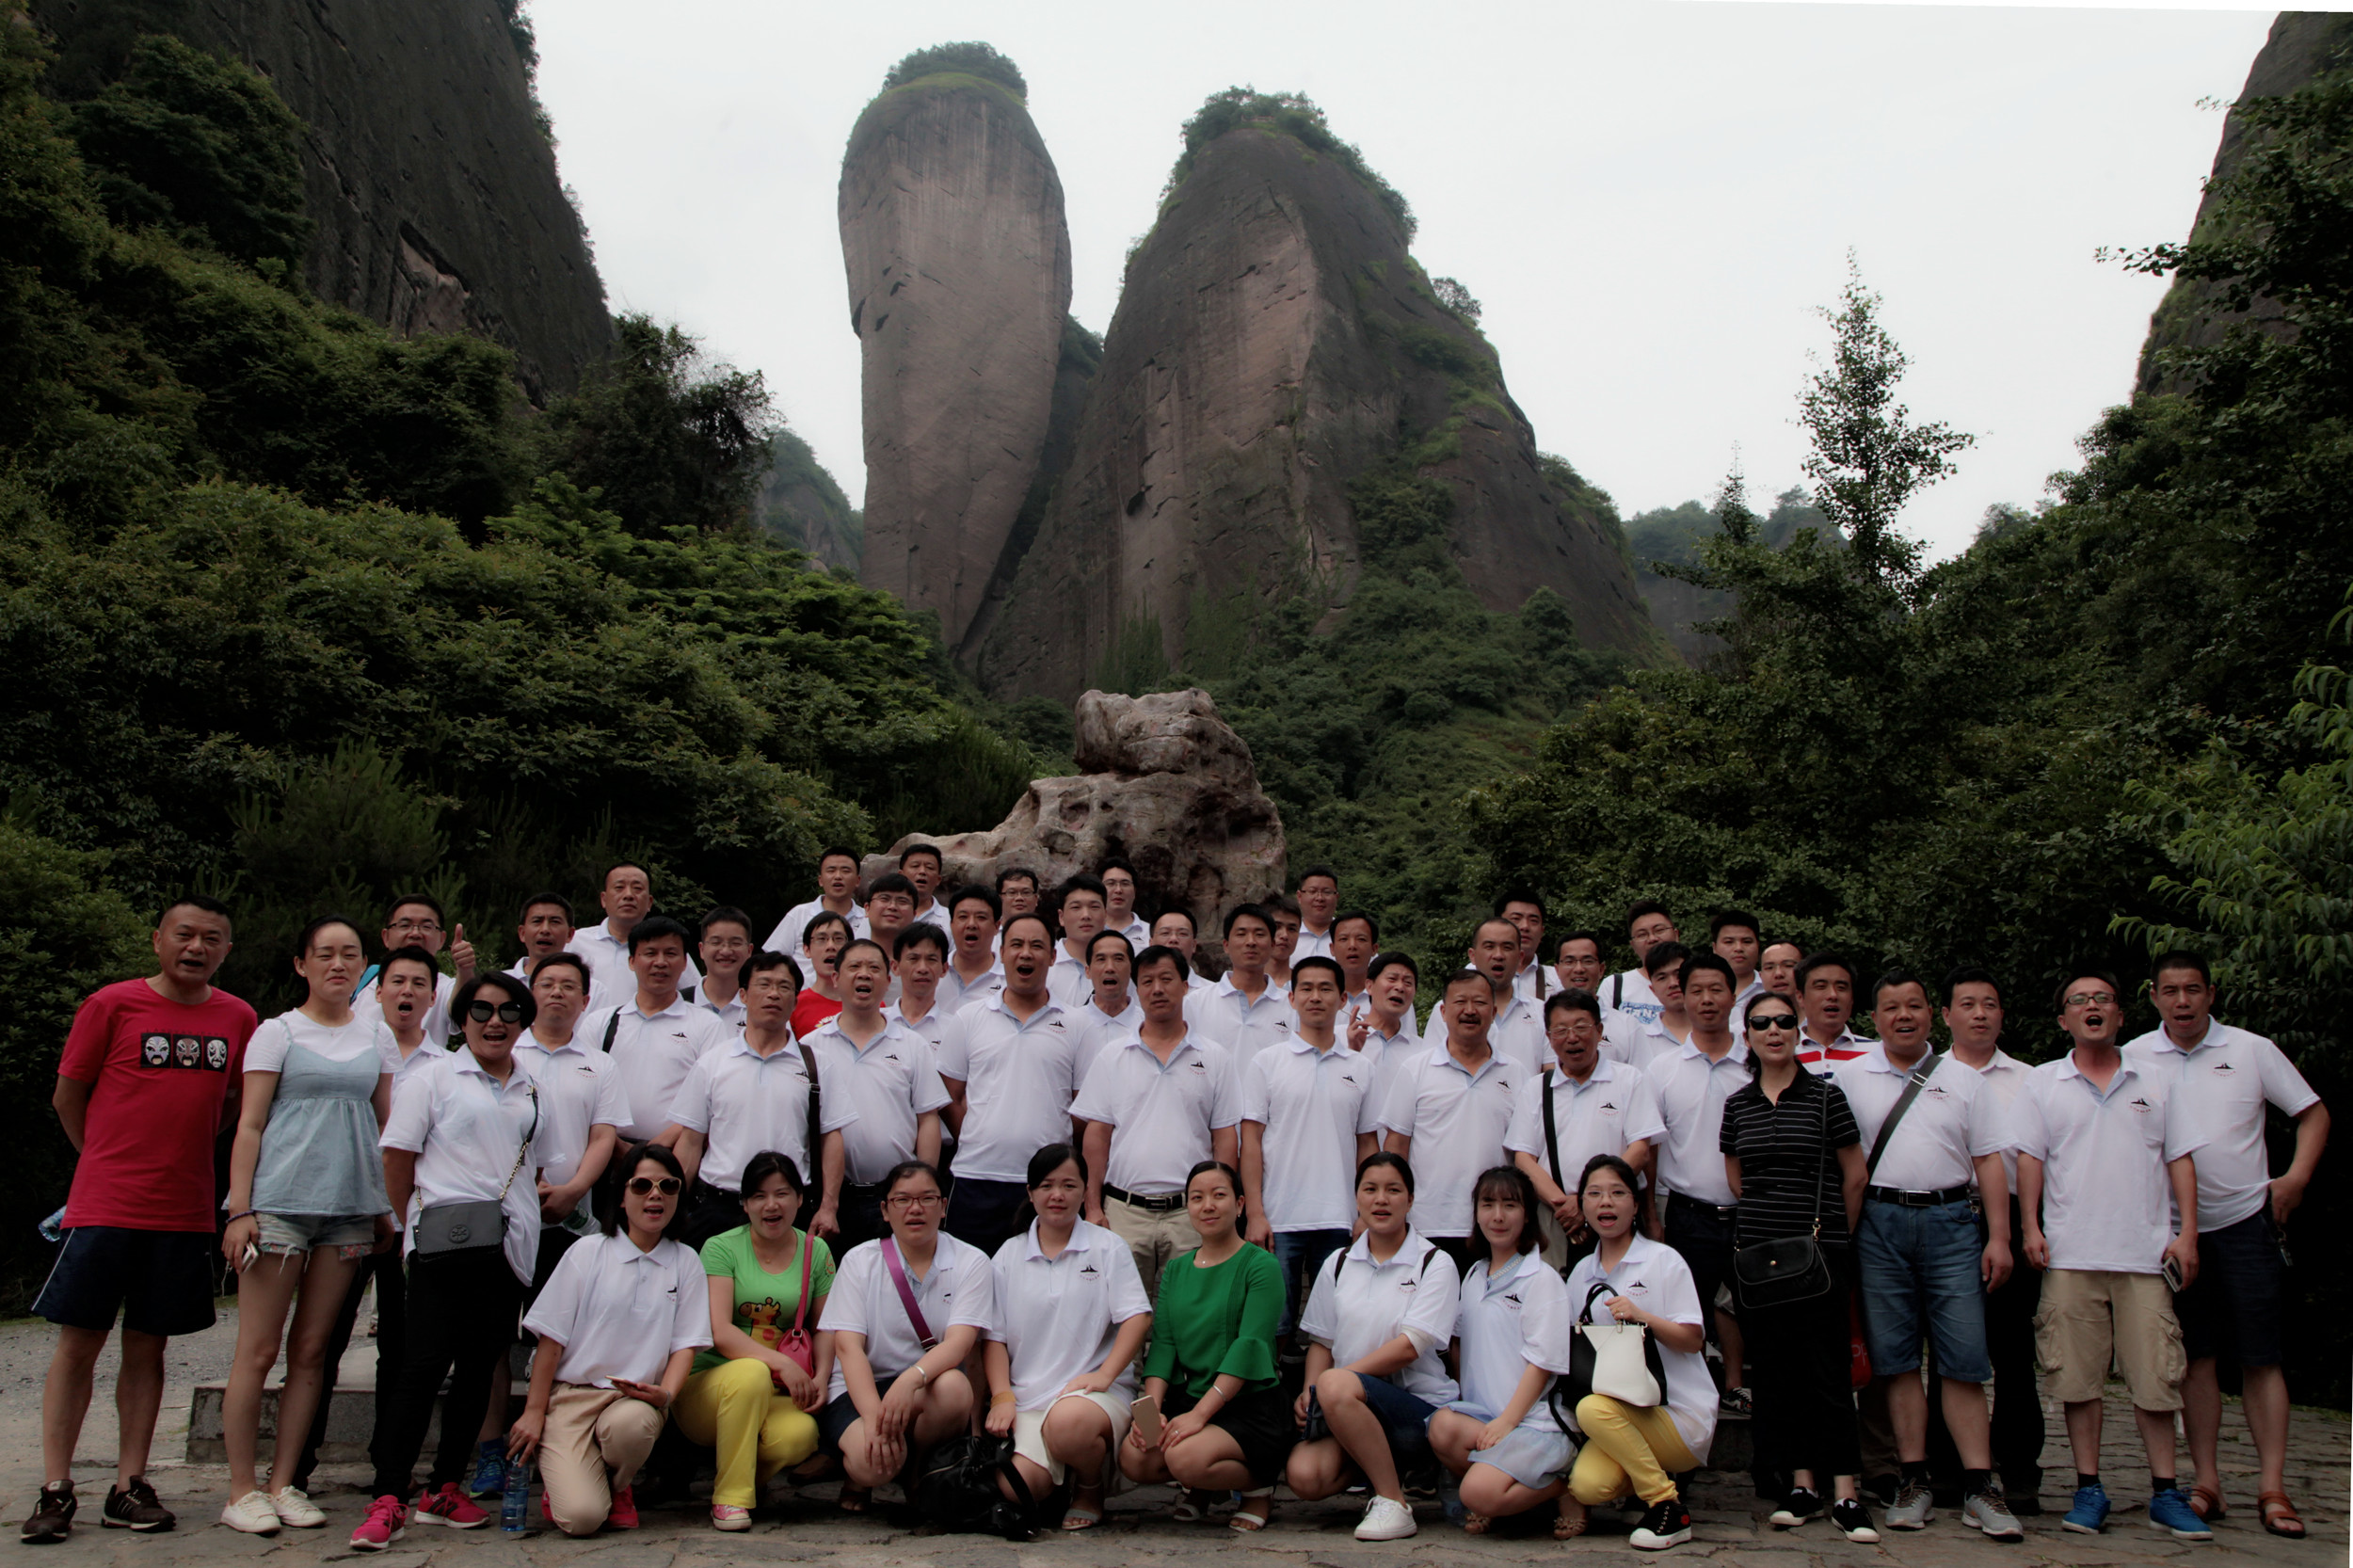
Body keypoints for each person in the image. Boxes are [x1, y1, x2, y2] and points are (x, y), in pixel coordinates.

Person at [25, 896, 256, 1544]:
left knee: (148, 1348)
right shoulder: (112, 1004)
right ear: (159, 939)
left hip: (182, 1211)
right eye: (185, 935)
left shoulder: (237, 1017)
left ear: (225, 950)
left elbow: (237, 1101)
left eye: (212, 939)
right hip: (105, 1205)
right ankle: (55, 1487)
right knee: (78, 1344)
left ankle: (129, 1484)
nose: (196, 947)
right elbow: (68, 1093)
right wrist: (99, 1157)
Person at [2125, 954, 2329, 1537]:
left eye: (2193, 990)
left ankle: (2272, 1486)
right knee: (2196, 1359)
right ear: (2154, 996)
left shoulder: (2251, 1049)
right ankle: (2206, 1482)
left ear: (2211, 993)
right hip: (2172, 1231)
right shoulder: (2135, 1056)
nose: (2182, 1001)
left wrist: (2294, 1179)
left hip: (2246, 1222)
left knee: (2261, 1357)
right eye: (2171, 991)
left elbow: (2313, 1113)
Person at [216, 919, 399, 1535]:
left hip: (348, 1209)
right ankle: (242, 1488)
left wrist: (384, 1208)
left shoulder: (376, 1037)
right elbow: (249, 1125)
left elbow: (385, 1130)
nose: (338, 964)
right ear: (301, 964)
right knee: (259, 1350)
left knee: (314, 1352)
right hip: (280, 1206)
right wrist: (239, 1208)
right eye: (325, 954)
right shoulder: (278, 1032)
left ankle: (284, 1481)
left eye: (350, 954)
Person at [354, 972, 547, 1549]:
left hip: (508, 1249)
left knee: (477, 1374)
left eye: (510, 1012)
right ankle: (389, 1494)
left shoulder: (531, 1086)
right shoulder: (433, 1076)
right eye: (482, 1010)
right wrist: (395, 1227)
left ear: (522, 1022)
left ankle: (444, 1489)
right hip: (442, 1245)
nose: (496, 1021)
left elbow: (536, 1162)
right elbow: (399, 1156)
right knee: (420, 1369)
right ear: (462, 1018)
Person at [2013, 970, 2207, 1540]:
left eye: (2103, 999)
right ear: (2063, 1020)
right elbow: (2030, 1161)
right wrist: (2031, 1227)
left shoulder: (2159, 1081)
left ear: (2121, 1015)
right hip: (2071, 1255)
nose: (2092, 1006)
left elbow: (2181, 1160)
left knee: (2155, 1380)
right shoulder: (2043, 1084)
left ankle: (2166, 1491)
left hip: (2145, 1257)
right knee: (2076, 1380)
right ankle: (2088, 1486)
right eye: (2079, 1001)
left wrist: (2187, 1233)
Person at [1834, 969, 2021, 1537]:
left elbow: (1989, 1160)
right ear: (1874, 1019)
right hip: (1880, 1225)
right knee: (1895, 1360)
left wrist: (1999, 1236)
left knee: (1962, 1356)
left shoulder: (1963, 1080)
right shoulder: (1849, 1078)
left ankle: (1979, 1485)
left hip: (1950, 1221)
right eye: (1891, 1008)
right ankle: (1911, 1478)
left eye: (1914, 1005)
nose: (1903, 1016)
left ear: (1931, 1015)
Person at [288, 945, 450, 1496]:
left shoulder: (448, 1067)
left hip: (411, 1225)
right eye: (397, 981)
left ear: (434, 997)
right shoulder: (350, 1053)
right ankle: (296, 1464)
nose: (407, 992)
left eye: (419, 984)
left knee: (402, 1349)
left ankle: (389, 1467)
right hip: (350, 1213)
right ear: (376, 991)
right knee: (322, 1340)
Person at [1722, 988, 1878, 1544]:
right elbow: (1739, 1179)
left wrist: (1832, 1236)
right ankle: (1802, 1484)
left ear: (1798, 1031)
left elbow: (1853, 1176)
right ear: (1749, 1036)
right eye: (1761, 1022)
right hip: (1760, 1258)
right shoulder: (1737, 1105)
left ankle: (1846, 1490)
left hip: (1820, 1255)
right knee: (1779, 1373)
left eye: (1784, 1022)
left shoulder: (1826, 1099)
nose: (1773, 1030)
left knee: (1828, 1373)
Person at [510, 1144, 710, 1536]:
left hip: (631, 1401)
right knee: (581, 1519)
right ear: (621, 1197)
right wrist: (534, 1411)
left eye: (668, 1186)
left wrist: (665, 1396)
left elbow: (685, 1346)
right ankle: (576, 1479)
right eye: (642, 1186)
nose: (656, 1195)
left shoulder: (686, 1261)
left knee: (634, 1426)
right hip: (571, 1398)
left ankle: (619, 1486)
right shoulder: (587, 1252)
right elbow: (550, 1341)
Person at [1286, 1154, 1462, 1542]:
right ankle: (1376, 1469)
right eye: (1371, 1189)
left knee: (1335, 1385)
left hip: (1415, 1411)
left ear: (1411, 1199)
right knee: (1305, 1476)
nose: (1381, 1199)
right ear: (1357, 1198)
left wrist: (1336, 1382)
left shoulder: (1435, 1262)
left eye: (1393, 1190)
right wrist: (1310, 1390)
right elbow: (1322, 1341)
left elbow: (1409, 1347)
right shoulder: (1339, 1262)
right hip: (1348, 1405)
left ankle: (1393, 1502)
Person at [984, 1144, 1153, 1531]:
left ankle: (1090, 1488)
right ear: (1030, 1193)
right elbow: (993, 1338)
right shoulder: (1007, 1256)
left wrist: (1105, 1376)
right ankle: (1061, 1477)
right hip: (1029, 1397)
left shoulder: (1108, 1247)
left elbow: (1136, 1318)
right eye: (1046, 1186)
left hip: (1092, 1395)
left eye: (1068, 1185)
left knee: (1068, 1424)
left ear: (1084, 1190)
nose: (1057, 1195)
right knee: (1018, 1487)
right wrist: (1002, 1396)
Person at [1924, 966, 2043, 1512]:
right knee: (1944, 1350)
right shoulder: (1923, 1074)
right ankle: (1946, 1468)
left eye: (1989, 1004)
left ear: (2002, 1014)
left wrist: (2025, 1230)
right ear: (1945, 1015)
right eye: (1967, 1004)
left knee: (2013, 1350)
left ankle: (2019, 1470)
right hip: (1943, 1216)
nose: (1979, 1013)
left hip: (2012, 1220)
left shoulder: (2031, 1079)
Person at [1121, 1161, 1289, 1531]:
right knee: (1134, 1458)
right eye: (1197, 1198)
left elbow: (1249, 1346)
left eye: (1219, 1195)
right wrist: (1151, 1414)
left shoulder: (1260, 1265)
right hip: (1190, 1396)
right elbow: (1163, 1344)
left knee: (1184, 1457)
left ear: (1240, 1204)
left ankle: (1258, 1487)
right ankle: (1200, 1486)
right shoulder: (1178, 1270)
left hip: (1246, 1403)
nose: (1208, 1205)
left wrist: (1200, 1416)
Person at [1561, 1154, 1718, 1551]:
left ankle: (1667, 1505)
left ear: (1635, 1204)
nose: (1605, 1203)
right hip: (1620, 1413)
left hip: (1677, 1412)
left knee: (1592, 1409)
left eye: (1617, 1193)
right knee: (1588, 1485)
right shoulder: (1582, 1274)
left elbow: (1692, 1340)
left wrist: (1642, 1316)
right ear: (1582, 1206)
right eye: (1594, 1194)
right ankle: (1650, 1474)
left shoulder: (1663, 1261)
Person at [814, 1160, 989, 1511]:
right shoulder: (859, 1261)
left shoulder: (972, 1262)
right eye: (902, 1200)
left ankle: (918, 1472)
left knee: (956, 1390)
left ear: (943, 1207)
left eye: (927, 1199)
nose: (915, 1209)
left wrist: (912, 1378)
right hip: (859, 1387)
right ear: (884, 1210)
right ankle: (863, 1473)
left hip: (924, 1384)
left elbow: (960, 1342)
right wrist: (874, 1420)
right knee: (873, 1464)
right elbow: (848, 1349)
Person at [674, 1151, 833, 1530]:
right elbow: (720, 1332)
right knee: (748, 1373)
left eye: (782, 1193)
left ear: (800, 1199)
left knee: (800, 1436)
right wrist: (781, 1363)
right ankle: (730, 1498)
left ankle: (746, 1478)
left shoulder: (817, 1251)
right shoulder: (721, 1247)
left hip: (778, 1392)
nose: (771, 1205)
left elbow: (826, 1328)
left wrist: (823, 1376)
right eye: (759, 1196)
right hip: (710, 1387)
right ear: (744, 1204)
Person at [1075, 947, 1242, 1295]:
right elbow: (1097, 1136)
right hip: (1124, 1212)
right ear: (1136, 990)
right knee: (1120, 1319)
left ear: (1185, 986)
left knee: (1191, 1317)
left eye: (1166, 980)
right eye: (1147, 982)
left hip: (1191, 1214)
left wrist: (1221, 1206)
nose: (1157, 989)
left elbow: (1224, 1137)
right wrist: (1092, 1206)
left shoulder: (1214, 1057)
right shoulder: (1113, 1056)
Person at [1428, 1166, 1580, 1539]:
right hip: (1487, 1417)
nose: (1497, 1216)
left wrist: (1508, 1422)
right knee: (1441, 1427)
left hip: (1534, 1424)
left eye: (1509, 1205)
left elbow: (1543, 1364)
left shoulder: (1541, 1279)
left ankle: (1566, 1488)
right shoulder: (1474, 1274)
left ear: (1527, 1214)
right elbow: (1461, 1345)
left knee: (1475, 1493)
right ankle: (1510, 1495)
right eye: (1488, 1204)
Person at [1240, 957, 1380, 1348]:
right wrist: (1255, 1212)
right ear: (1291, 997)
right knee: (1273, 1330)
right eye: (1307, 988)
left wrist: (1364, 1212)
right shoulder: (1266, 1063)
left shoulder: (1361, 1067)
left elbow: (1367, 1145)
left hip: (1339, 1217)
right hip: (1279, 1218)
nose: (1315, 997)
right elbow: (1250, 1142)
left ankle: (1321, 1405)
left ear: (1341, 999)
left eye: (1325, 989)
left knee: (1333, 1332)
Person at [668, 952, 850, 1247]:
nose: (773, 994)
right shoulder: (713, 1063)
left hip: (790, 1209)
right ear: (743, 995)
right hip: (718, 1205)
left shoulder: (817, 1065)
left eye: (784, 987)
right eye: (764, 984)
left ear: (795, 999)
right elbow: (689, 1142)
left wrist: (828, 1207)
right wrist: (674, 1209)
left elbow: (832, 1138)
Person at [937, 914, 1083, 1254]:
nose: (1026, 954)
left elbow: (1083, 1107)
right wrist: (981, 1132)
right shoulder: (970, 1018)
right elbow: (949, 1096)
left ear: (1053, 956)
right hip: (976, 1177)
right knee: (971, 1287)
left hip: (1047, 1185)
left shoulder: (1077, 1024)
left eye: (1037, 946)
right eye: (1016, 945)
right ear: (1001, 953)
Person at [1643, 953, 1752, 1409]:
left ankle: (1736, 1386)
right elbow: (1649, 1151)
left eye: (1716, 990)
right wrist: (1651, 1214)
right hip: (1684, 1209)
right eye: (1696, 991)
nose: (1706, 1000)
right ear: (1681, 997)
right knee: (1684, 1307)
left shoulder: (1756, 1062)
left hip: (1748, 1210)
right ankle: (1685, 1399)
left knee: (1739, 1306)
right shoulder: (1663, 1069)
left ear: (1734, 996)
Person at [803, 939, 948, 1248]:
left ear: (887, 979)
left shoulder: (911, 1045)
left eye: (873, 968)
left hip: (895, 1197)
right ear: (836, 979)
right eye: (854, 967)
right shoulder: (810, 1047)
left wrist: (923, 1186)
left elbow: (928, 1119)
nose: (864, 974)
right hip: (829, 1199)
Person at [1507, 990, 1664, 1266]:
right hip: (1555, 1217)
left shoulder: (1629, 1081)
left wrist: (1588, 1200)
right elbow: (1523, 1158)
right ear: (1548, 1037)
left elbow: (1640, 1150)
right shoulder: (1536, 1088)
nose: (1572, 1037)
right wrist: (1565, 1205)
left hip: (1613, 1213)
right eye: (1561, 1030)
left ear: (1600, 1031)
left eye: (1581, 1027)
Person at [1380, 968, 1520, 1269]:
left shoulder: (1516, 1073)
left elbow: (1522, 1155)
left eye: (1480, 1003)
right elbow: (1396, 1147)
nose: (1470, 1010)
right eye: (1460, 1002)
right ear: (1443, 1012)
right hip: (1428, 1224)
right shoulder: (1415, 1070)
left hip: (1495, 1226)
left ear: (1494, 1012)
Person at [580, 916, 728, 1146]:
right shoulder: (600, 1022)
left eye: (670, 954)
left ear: (683, 962)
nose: (660, 962)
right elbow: (585, 1092)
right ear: (632, 961)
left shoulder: (707, 1024)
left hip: (676, 1154)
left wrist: (653, 1154)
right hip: (605, 1152)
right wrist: (618, 1148)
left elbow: (709, 1099)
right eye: (650, 953)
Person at [1421, 917, 1545, 1076]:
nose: (1498, 955)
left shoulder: (1541, 1011)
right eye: (1489, 947)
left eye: (1507, 947)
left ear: (1520, 957)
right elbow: (1431, 1069)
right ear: (1472, 955)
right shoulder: (1448, 1010)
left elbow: (1552, 1074)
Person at [568, 863, 701, 1005]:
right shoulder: (575, 942)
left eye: (637, 888)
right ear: (604, 899)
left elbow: (696, 995)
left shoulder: (669, 949)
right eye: (619, 888)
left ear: (650, 902)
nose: (628, 895)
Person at [352, 895, 472, 1047]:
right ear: (386, 936)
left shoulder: (444, 987)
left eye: (426, 927)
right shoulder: (362, 980)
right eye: (404, 925)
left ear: (441, 939)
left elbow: (461, 1009)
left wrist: (465, 970)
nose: (415, 933)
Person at [1185, 904, 1291, 1064]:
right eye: (1241, 934)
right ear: (1226, 945)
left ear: (1272, 945)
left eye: (1260, 934)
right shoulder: (1196, 1002)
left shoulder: (1292, 1006)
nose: (1251, 942)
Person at [762, 847, 870, 969]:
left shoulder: (868, 919)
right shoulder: (799, 914)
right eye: (831, 871)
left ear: (857, 880)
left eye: (845, 871)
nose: (838, 876)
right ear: (820, 880)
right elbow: (771, 961)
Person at [1350, 952, 1424, 1106]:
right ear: (1369, 986)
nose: (1400, 987)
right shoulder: (1339, 1038)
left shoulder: (1423, 1051)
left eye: (1408, 983)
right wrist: (1351, 1052)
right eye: (1392, 979)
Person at [1070, 929, 1141, 1079]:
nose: (1110, 968)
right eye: (1101, 959)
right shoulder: (1070, 1025)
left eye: (1118, 959)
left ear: (1131, 970)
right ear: (1088, 971)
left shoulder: (1147, 1025)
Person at [1794, 953, 1872, 1075]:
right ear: (1800, 997)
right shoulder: (1784, 1054)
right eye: (1821, 987)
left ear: (1852, 998)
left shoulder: (1876, 1053)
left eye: (1841, 988)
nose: (1833, 995)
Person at [1606, 902, 1680, 1028]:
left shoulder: (1696, 979)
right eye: (1642, 935)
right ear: (1633, 945)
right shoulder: (1615, 985)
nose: (1652, 939)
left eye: (1659, 930)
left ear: (1676, 935)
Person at [886, 924, 954, 1055]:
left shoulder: (954, 1029)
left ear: (944, 969)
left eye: (931, 959)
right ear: (895, 967)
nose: (922, 968)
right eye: (913, 959)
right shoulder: (878, 1022)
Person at [1048, 875, 1112, 1008]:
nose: (1086, 915)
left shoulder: (1118, 965)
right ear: (1061, 917)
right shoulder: (1045, 965)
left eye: (1094, 907)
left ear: (1105, 915)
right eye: (1076, 908)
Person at [939, 885, 1005, 1010]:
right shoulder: (933, 973)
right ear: (951, 924)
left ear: (997, 926)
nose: (971, 924)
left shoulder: (1009, 980)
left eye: (981, 917)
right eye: (963, 917)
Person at [694, 906, 756, 1029]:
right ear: (702, 949)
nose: (726, 951)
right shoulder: (680, 1003)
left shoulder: (763, 1005)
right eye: (716, 942)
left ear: (749, 951)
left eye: (736, 943)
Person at [791, 911, 850, 1038]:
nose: (831, 946)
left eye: (838, 939)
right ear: (807, 950)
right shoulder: (793, 1005)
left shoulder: (872, 1003)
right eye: (821, 939)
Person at [1632, 942, 1694, 1059]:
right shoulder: (1640, 1039)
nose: (1673, 983)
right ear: (1652, 989)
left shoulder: (1721, 1031)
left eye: (1679, 974)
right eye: (1662, 978)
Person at [505, 893, 577, 985]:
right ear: (522, 933)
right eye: (537, 921)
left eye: (555, 922)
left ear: (570, 934)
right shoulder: (500, 985)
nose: (545, 930)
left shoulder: (593, 989)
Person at [1496, 889, 1552, 1005]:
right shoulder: (1474, 974)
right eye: (1516, 919)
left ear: (1542, 932)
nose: (1525, 926)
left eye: (1533, 921)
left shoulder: (1557, 979)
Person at [859, 873, 919, 974]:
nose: (892, 907)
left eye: (902, 901)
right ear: (867, 909)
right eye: (884, 899)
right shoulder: (848, 960)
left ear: (914, 914)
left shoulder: (921, 966)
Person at [1151, 908, 1216, 991]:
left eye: (1183, 934)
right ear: (1151, 943)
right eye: (1165, 933)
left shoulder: (1212, 992)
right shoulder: (1138, 992)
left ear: (1193, 945)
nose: (1174, 939)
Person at [1710, 910, 1764, 1010]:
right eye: (1729, 942)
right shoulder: (1701, 992)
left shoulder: (1770, 988)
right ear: (1714, 948)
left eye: (1747, 941)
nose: (1738, 948)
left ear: (1758, 946)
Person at [1331, 910, 1379, 1011]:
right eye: (1344, 939)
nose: (1352, 945)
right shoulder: (1319, 998)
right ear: (1332, 949)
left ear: (1374, 949)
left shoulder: (1390, 996)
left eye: (1361, 939)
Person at [1098, 856, 1150, 948]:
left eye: (1125, 884)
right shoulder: (1089, 930)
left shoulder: (1149, 933)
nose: (1118, 890)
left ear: (1134, 891)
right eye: (1111, 883)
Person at [1292, 866, 1340, 959]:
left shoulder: (1348, 936)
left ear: (1336, 897)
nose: (1319, 898)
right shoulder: (1287, 937)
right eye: (1312, 891)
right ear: (1299, 896)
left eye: (1327, 892)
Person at [898, 843, 946, 928]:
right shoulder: (887, 915)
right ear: (901, 875)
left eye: (930, 867)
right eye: (915, 866)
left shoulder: (950, 919)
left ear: (938, 880)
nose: (922, 871)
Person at [1263, 894, 1304, 988]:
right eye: (1277, 927)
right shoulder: (1246, 983)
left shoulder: (1306, 985)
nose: (1285, 935)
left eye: (1292, 929)